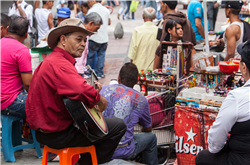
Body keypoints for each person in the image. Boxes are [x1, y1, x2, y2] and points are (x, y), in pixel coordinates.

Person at [25, 18, 127, 165]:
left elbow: (74, 86)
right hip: (57, 134)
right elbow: (81, 89)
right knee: (117, 126)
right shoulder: (60, 64)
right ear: (63, 39)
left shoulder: (53, 60)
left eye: (85, 41)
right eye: (79, 39)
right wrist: (101, 100)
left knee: (99, 127)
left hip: (45, 132)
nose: (83, 44)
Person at [195, 40, 250, 165]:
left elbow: (215, 143)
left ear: (244, 68)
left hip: (241, 160)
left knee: (203, 157)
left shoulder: (237, 97)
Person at [101, 63, 158, 165]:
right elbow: (147, 128)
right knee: (151, 137)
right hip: (124, 151)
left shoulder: (104, 89)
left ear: (119, 78)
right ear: (136, 82)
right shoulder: (141, 99)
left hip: (102, 148)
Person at [0, 16, 32, 118]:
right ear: (26, 35)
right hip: (7, 102)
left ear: (8, 29)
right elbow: (27, 84)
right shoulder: (21, 50)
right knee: (43, 103)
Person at [128, 7, 159, 72]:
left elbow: (133, 52)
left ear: (143, 16)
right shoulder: (159, 31)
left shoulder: (137, 30)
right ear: (154, 17)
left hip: (139, 68)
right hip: (154, 68)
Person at [86, 0, 111, 79]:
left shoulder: (91, 10)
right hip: (104, 38)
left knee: (90, 56)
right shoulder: (106, 10)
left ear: (93, 1)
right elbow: (109, 22)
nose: (88, 2)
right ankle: (99, 73)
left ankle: (88, 73)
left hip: (93, 37)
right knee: (101, 56)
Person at [75, 12, 103, 77]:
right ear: (91, 23)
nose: (96, 32)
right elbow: (78, 62)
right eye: (96, 28)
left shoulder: (84, 35)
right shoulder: (81, 36)